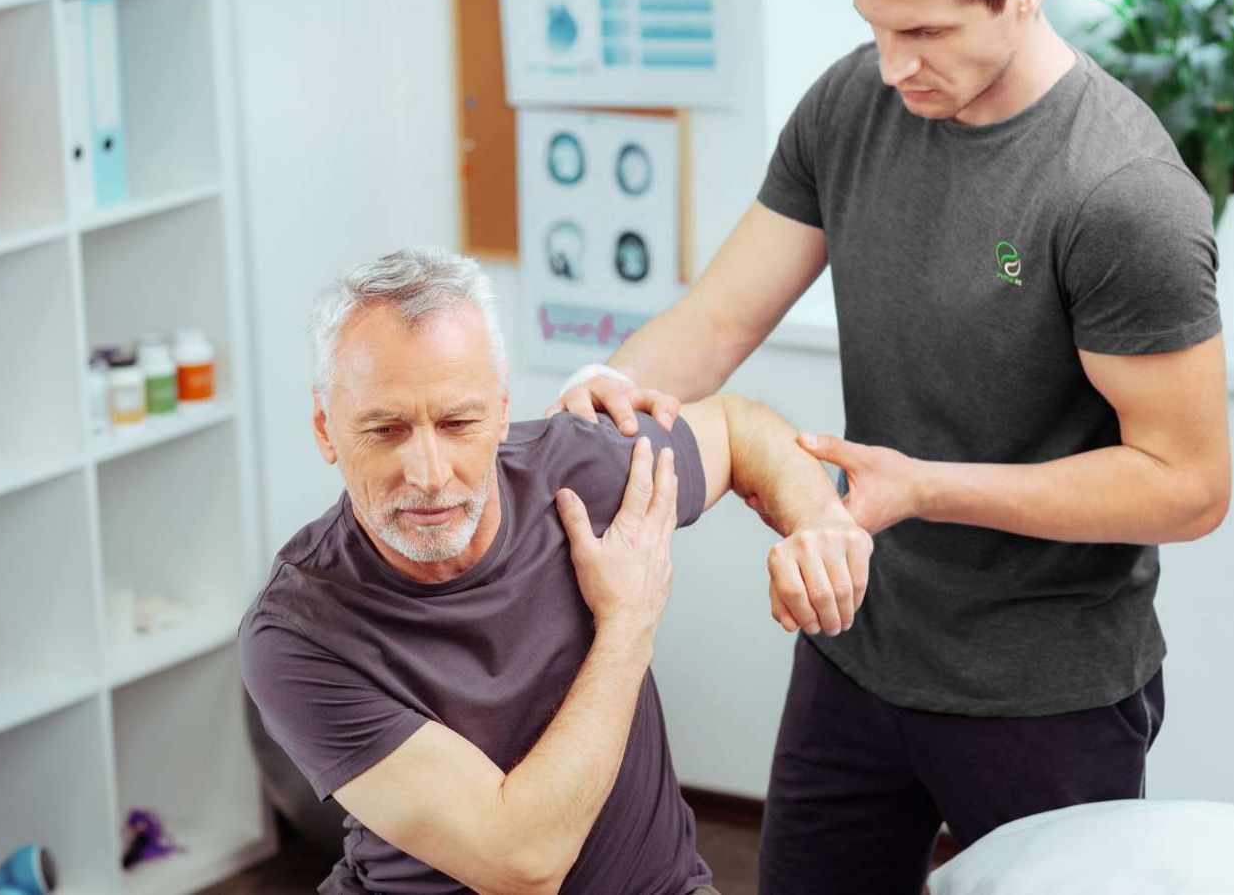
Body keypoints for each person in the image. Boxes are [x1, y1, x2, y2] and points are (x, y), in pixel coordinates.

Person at [549, 0, 1232, 891]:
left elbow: (1187, 484)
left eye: (925, 31)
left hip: (1044, 692)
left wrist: (926, 487)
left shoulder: (1121, 193)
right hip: (855, 645)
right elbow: (715, 323)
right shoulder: (850, 104)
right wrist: (586, 410)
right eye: (873, 27)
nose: (894, 64)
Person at [241, 247, 871, 894]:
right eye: (386, 430)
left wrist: (821, 519)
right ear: (326, 428)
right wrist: (627, 625)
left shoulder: (573, 473)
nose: (430, 474)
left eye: (459, 422)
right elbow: (522, 864)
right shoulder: (298, 631)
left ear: (502, 406)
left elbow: (740, 429)